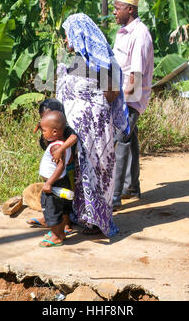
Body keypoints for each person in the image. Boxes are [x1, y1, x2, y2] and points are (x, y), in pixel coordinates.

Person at [56, 13, 129, 237]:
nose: (66, 40)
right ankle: (85, 216)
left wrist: (89, 110)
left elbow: (110, 94)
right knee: (80, 176)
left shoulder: (105, 63)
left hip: (96, 131)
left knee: (98, 173)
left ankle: (98, 221)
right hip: (78, 132)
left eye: (68, 35)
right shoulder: (77, 61)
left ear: (79, 35)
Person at [112, 0, 154, 210]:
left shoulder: (139, 35)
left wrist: (117, 99)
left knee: (119, 142)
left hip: (130, 98)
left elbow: (135, 77)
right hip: (124, 96)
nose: (114, 12)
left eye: (117, 8)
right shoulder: (125, 31)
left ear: (130, 9)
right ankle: (132, 187)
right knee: (130, 139)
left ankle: (115, 197)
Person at [27, 99, 77, 235]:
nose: (44, 119)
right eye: (42, 117)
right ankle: (56, 226)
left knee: (55, 207)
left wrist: (62, 149)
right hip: (56, 173)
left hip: (59, 175)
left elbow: (74, 138)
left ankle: (59, 232)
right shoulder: (51, 129)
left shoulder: (64, 131)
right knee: (57, 205)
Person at [37, 110, 74, 247]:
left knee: (52, 209)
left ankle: (56, 236)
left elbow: (61, 165)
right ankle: (60, 233)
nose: (42, 133)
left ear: (54, 132)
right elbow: (68, 160)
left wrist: (49, 183)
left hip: (54, 183)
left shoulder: (56, 147)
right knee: (61, 208)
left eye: (44, 130)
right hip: (61, 181)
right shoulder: (64, 143)